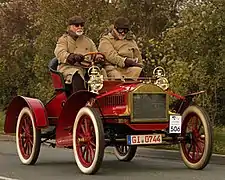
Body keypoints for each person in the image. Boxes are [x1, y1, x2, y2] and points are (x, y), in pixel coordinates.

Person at [54, 15, 102, 93]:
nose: (80, 27)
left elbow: (95, 53)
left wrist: (98, 58)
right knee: (77, 74)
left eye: (81, 25)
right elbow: (59, 52)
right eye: (77, 25)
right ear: (70, 27)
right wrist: (72, 56)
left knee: (101, 73)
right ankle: (79, 101)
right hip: (68, 67)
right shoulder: (63, 40)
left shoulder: (88, 41)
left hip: (87, 68)